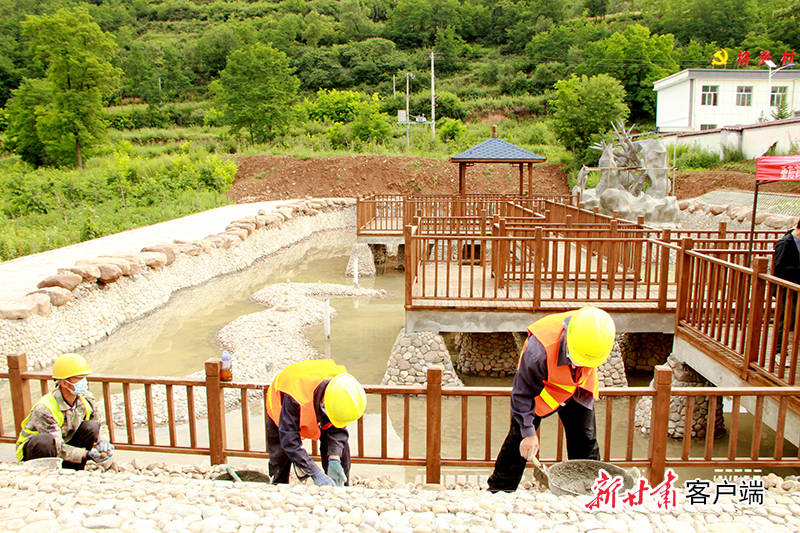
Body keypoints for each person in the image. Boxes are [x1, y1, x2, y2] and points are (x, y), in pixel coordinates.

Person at [487, 306, 616, 492]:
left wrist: (581, 365)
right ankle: (499, 490)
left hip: (578, 386)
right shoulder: (538, 350)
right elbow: (522, 394)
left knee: (585, 440)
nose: (575, 363)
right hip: (544, 389)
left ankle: (588, 489)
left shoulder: (595, 336)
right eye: (575, 359)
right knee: (519, 439)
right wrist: (528, 432)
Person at [266, 359, 366, 487]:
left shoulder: (341, 388)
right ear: (324, 404)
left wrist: (334, 457)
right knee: (280, 458)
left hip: (319, 398)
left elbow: (337, 429)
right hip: (281, 407)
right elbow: (290, 441)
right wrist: (314, 472)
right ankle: (278, 485)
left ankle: (340, 486)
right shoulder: (295, 395)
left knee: (340, 450)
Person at [16, 353, 113, 469]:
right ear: (64, 382)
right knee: (45, 441)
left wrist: (103, 441)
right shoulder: (45, 409)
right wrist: (86, 454)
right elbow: (57, 446)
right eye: (79, 378)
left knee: (92, 427)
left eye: (84, 377)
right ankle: (45, 472)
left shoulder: (86, 399)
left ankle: (73, 468)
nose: (84, 381)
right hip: (40, 451)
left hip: (65, 445)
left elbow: (100, 423)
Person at [773, 217, 800, 353]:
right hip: (786, 288)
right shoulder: (785, 243)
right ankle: (778, 350)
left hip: (797, 287)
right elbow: (779, 268)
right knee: (785, 319)